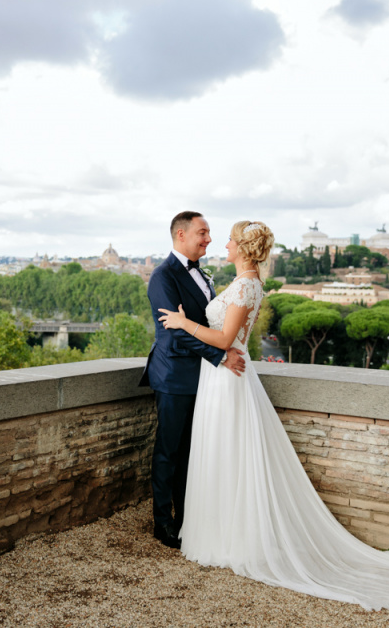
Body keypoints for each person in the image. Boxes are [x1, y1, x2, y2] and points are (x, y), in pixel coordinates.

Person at [158, 220, 389, 610]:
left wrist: (184, 322)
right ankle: (222, 531)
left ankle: (232, 539)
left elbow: (224, 340)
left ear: (243, 247)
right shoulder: (244, 283)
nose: (223, 245)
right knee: (223, 452)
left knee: (229, 452)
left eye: (230, 240)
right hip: (221, 375)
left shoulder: (246, 286)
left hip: (228, 377)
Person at [139, 211, 246, 550]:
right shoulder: (162, 276)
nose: (209, 239)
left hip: (203, 376)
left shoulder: (202, 273)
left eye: (210, 232)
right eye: (203, 232)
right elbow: (176, 330)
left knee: (192, 452)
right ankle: (162, 523)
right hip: (173, 375)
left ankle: (189, 520)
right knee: (169, 452)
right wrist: (221, 356)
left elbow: (205, 324)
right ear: (181, 234)